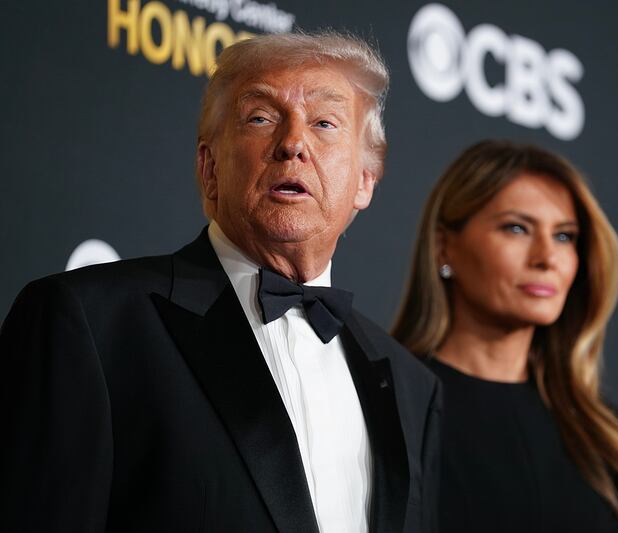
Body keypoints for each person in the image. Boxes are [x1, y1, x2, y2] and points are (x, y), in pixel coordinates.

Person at [0, 32, 440, 533]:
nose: (293, 144)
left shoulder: (411, 386)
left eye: (324, 122)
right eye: (261, 118)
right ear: (209, 169)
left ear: (365, 180)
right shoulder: (89, 322)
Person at [392, 140, 618, 532]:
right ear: (444, 247)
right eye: (517, 228)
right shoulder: (388, 404)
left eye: (565, 236)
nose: (546, 257)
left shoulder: (610, 440)